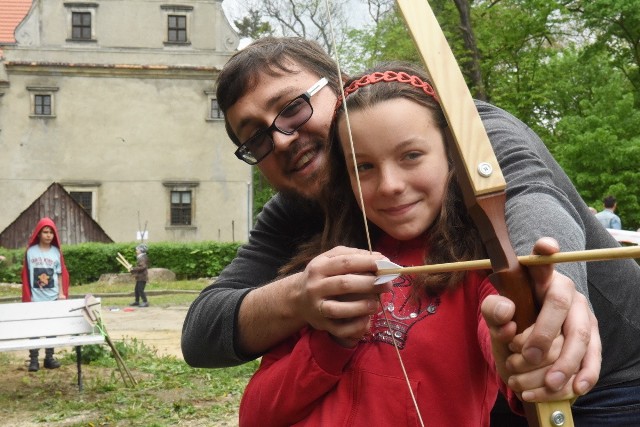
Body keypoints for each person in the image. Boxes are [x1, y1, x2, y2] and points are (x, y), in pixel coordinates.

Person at [181, 37, 638, 422]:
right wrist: (300, 296)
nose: (280, 139)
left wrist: (545, 302)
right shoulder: (296, 205)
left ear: (344, 89)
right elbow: (202, 332)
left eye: (293, 108)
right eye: (256, 137)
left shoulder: (459, 124)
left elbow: (525, 196)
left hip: (612, 379)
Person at [238, 63, 574, 426]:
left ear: (451, 157)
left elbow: (512, 353)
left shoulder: (479, 269)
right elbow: (255, 414)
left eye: (411, 155)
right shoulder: (325, 274)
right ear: (344, 179)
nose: (390, 185)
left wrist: (528, 352)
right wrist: (329, 344)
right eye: (363, 167)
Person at [21, 217, 70, 372]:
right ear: (39, 233)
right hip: (36, 298)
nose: (48, 235)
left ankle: (49, 358)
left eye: (51, 232)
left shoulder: (56, 252)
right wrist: (28, 295)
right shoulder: (30, 252)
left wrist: (61, 293)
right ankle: (34, 360)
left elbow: (60, 273)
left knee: (51, 328)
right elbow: (26, 274)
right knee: (34, 329)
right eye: (45, 232)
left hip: (53, 297)